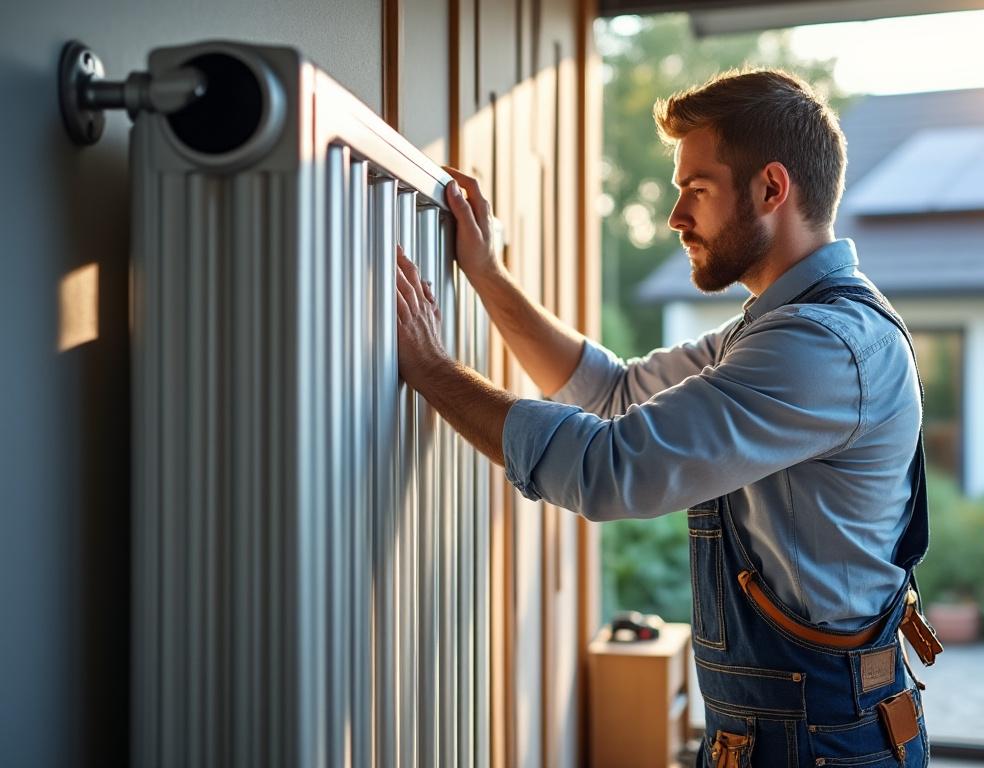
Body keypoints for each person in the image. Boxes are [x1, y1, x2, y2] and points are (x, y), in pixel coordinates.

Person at [394, 68, 938, 768]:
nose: (677, 216)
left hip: (822, 743)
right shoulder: (773, 332)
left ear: (772, 189)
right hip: (779, 733)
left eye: (696, 189)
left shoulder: (818, 348)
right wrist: (487, 275)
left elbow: (608, 469)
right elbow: (614, 392)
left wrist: (429, 368)